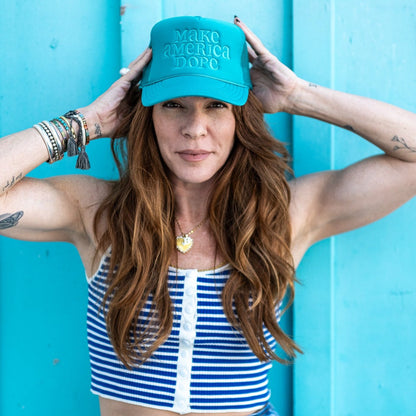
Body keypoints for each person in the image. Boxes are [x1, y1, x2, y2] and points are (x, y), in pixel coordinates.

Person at [1, 14, 416, 416]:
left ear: (241, 118)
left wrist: (298, 96)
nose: (195, 128)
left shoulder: (282, 216)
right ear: (147, 115)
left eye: (216, 105)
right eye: (174, 105)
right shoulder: (98, 213)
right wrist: (87, 122)